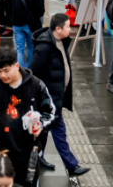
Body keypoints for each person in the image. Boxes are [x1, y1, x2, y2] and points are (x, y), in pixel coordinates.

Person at [0, 48, 55, 187]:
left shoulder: (36, 84)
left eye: (6, 70)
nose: (2, 75)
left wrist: (41, 125)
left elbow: (51, 113)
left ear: (16, 66)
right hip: (0, 153)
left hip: (28, 153)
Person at [30, 14, 91, 177]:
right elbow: (33, 72)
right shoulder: (45, 47)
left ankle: (36, 159)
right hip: (49, 98)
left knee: (43, 130)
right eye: (67, 26)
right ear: (58, 29)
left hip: (55, 95)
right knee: (59, 130)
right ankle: (71, 166)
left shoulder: (59, 41)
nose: (70, 29)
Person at [10, 0, 44, 68]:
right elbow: (40, 11)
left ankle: (19, 70)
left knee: (19, 48)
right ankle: (28, 69)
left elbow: (9, 8)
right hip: (31, 25)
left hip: (17, 24)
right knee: (31, 47)